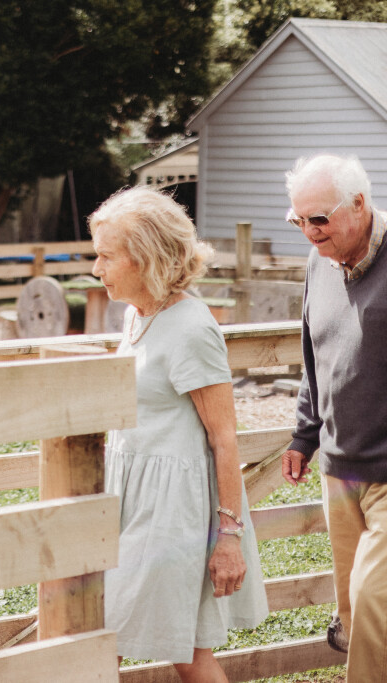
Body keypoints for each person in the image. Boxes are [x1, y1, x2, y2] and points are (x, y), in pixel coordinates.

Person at [90, 186, 268, 679]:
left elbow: (224, 437)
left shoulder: (191, 327)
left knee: (115, 639)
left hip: (173, 512)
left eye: (106, 257)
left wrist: (228, 538)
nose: (96, 269)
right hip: (130, 500)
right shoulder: (136, 314)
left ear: (146, 258)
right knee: (182, 650)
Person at [281, 154, 387, 679]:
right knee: (352, 609)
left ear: (360, 204)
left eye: (319, 219)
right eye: (298, 220)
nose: (309, 232)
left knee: (373, 603)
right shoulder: (317, 261)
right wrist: (304, 435)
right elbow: (315, 356)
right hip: (340, 470)